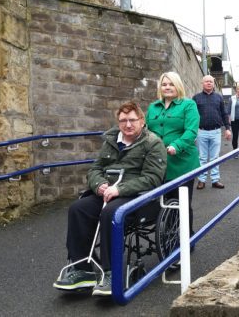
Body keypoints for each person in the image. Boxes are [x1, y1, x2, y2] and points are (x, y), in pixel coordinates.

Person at [53, 101, 167, 296]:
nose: (128, 125)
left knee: (111, 213)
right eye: (123, 120)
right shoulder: (111, 140)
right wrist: (99, 185)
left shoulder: (153, 143)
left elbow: (152, 178)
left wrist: (119, 189)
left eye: (132, 120)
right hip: (106, 192)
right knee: (78, 209)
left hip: (136, 196)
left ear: (141, 120)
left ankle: (109, 272)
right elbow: (95, 169)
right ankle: (82, 268)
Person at [146, 72, 200, 235]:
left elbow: (191, 130)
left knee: (182, 203)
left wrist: (176, 145)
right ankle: (168, 238)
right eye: (164, 84)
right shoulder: (153, 107)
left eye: (171, 84)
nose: (167, 87)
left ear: (178, 86)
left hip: (182, 162)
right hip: (158, 162)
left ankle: (186, 238)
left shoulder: (188, 105)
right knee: (165, 203)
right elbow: (146, 130)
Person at [193, 75, 231, 189]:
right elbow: (192, 116)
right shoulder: (196, 98)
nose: (209, 83)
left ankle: (215, 180)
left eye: (211, 81)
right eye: (206, 81)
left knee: (215, 157)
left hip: (216, 131)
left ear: (213, 84)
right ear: (202, 83)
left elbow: (224, 114)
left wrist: (228, 129)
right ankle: (201, 180)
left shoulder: (219, 98)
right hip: (201, 132)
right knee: (202, 158)